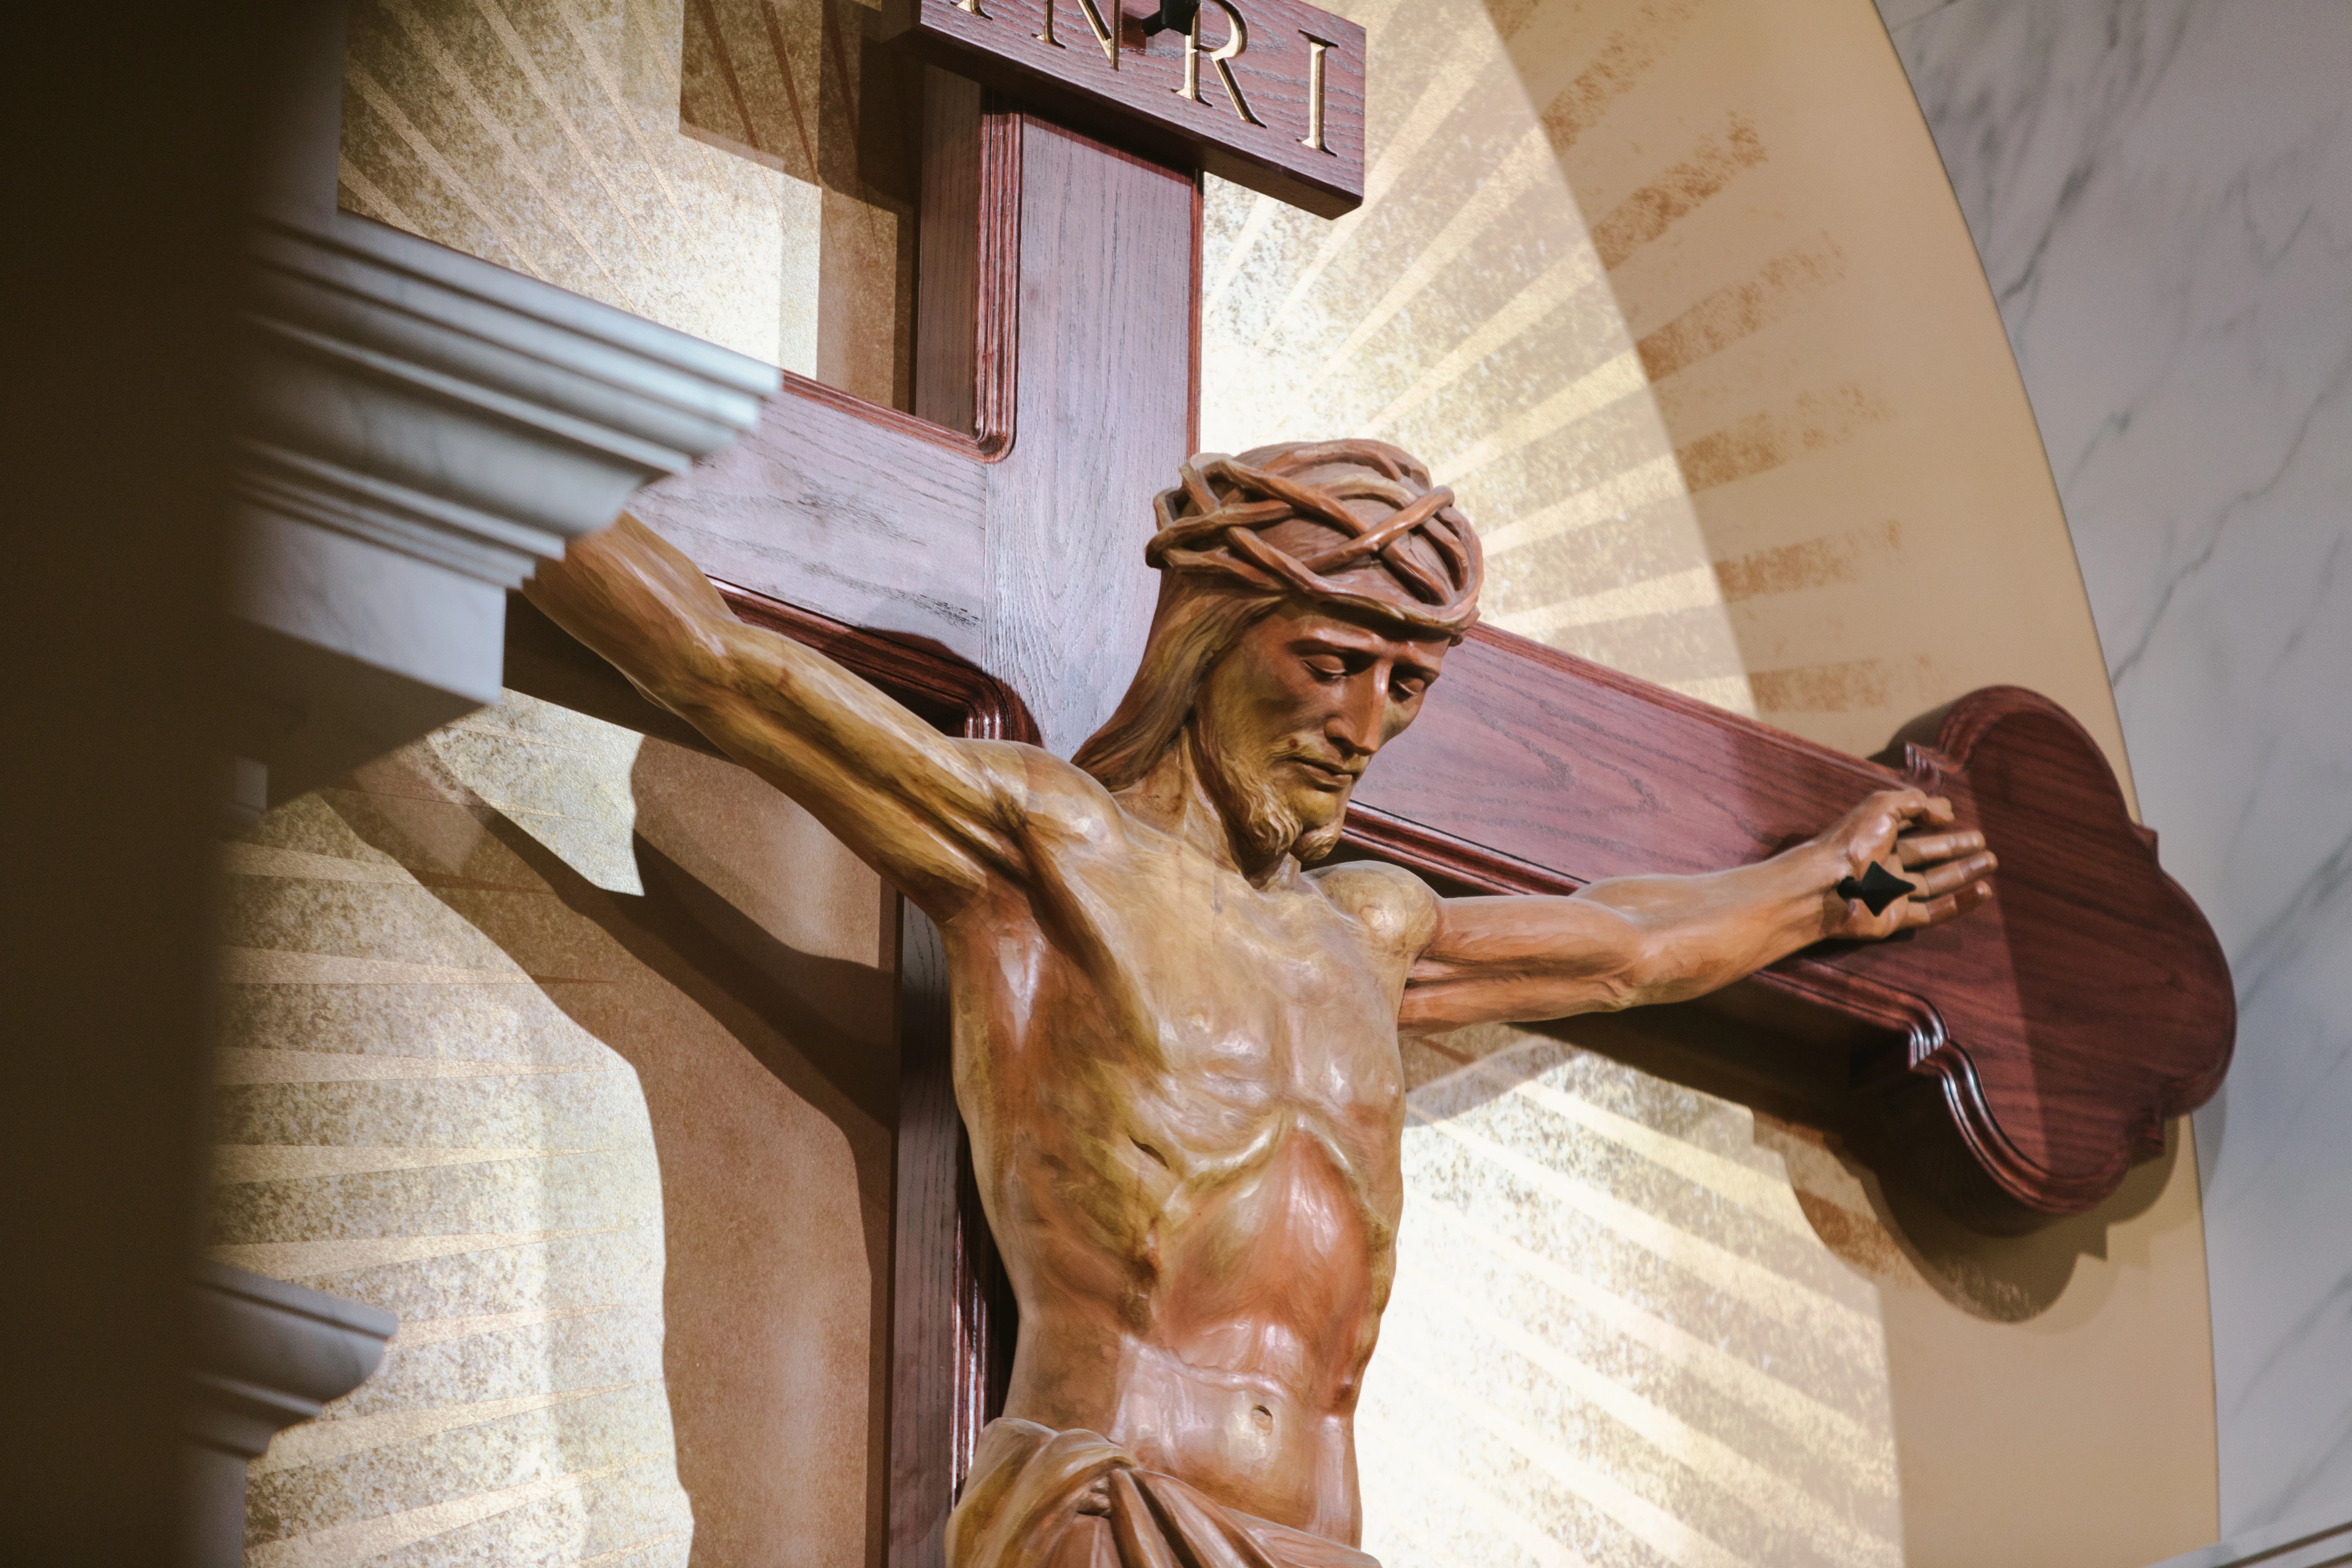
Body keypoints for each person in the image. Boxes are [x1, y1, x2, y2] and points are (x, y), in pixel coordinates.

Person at [525, 439, 1996, 1567]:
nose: (1367, 730)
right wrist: (487, 456)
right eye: (1337, 664)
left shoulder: (1372, 931)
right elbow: (724, 674)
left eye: (1406, 686)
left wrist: (1823, 888)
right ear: (1219, 635)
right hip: (1109, 1509)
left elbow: (1620, 947)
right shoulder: (1054, 853)